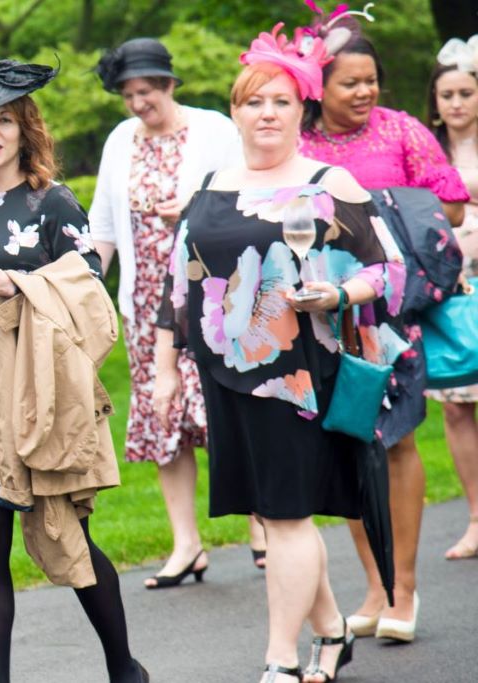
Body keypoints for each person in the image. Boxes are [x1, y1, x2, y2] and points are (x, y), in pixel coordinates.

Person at [154, 24, 406, 682]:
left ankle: (281, 660)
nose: (267, 113)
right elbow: (177, 277)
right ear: (234, 111)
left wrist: (337, 292)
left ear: (303, 110)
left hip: (299, 378)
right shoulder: (212, 183)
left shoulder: (331, 181)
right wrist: (163, 371)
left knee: (288, 515)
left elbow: (391, 272)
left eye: (281, 102)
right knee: (271, 511)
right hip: (225, 377)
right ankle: (328, 631)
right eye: (253, 101)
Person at [0, 56, 148, 683]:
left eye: (3, 120)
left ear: (26, 130)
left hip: (38, 397)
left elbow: (88, 293)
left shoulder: (53, 203)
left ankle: (124, 668)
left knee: (65, 535)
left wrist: (15, 284)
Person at [299, 15, 469, 641]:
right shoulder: (300, 138)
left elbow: (449, 201)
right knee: (349, 440)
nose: (366, 92)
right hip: (325, 316)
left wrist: (387, 206)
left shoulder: (403, 130)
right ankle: (373, 587)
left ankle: (406, 591)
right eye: (351, 83)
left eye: (372, 81)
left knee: (395, 440)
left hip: (391, 313)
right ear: (320, 88)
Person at [89, 37, 266, 585]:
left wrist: (196, 205)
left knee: (224, 411)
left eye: (146, 91)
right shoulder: (121, 140)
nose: (138, 103)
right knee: (165, 419)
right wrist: (90, 283)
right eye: (129, 94)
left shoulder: (213, 129)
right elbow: (103, 224)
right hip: (145, 302)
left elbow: (248, 196)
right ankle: (186, 542)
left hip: (212, 297)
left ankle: (262, 526)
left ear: (169, 85)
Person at [424, 36, 478, 560]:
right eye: (447, 94)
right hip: (450, 286)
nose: (457, 103)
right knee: (457, 407)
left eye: (466, 91)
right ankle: (476, 518)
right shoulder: (426, 152)